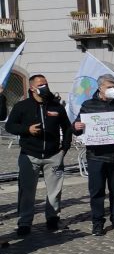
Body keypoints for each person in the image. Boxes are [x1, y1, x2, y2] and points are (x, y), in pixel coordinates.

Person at [5, 75, 72, 236]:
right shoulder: (22, 106)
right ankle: (25, 222)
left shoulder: (56, 106)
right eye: (41, 84)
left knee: (54, 191)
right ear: (32, 88)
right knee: (27, 191)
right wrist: (27, 130)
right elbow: (10, 126)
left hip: (54, 155)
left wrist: (65, 148)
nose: (44, 86)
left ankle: (53, 219)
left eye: (46, 83)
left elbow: (67, 127)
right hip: (30, 155)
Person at [73, 74, 114, 236]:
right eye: (109, 87)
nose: (112, 90)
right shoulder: (88, 105)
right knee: (97, 191)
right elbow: (76, 126)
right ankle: (97, 222)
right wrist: (77, 126)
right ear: (100, 88)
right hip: (96, 156)